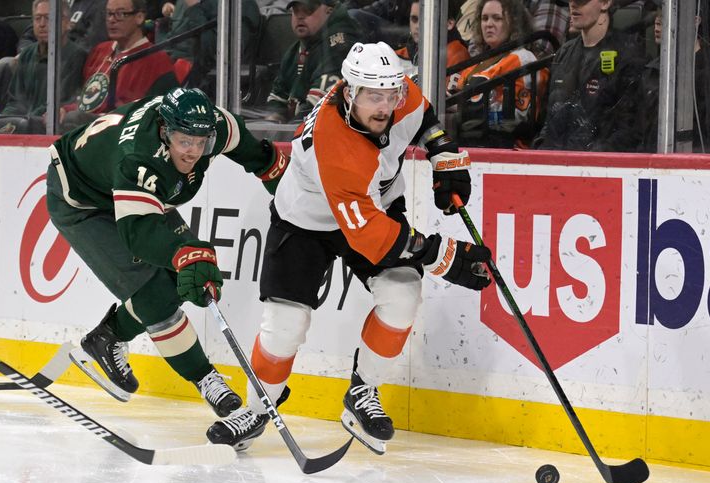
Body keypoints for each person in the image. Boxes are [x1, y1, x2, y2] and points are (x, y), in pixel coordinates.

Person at [207, 42, 492, 454]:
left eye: (389, 96)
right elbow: (372, 237)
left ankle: (362, 393)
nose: (383, 107)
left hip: (372, 201)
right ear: (348, 93)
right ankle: (255, 408)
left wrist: (443, 154)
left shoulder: (397, 93)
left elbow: (424, 116)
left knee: (401, 296)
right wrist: (441, 255)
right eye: (372, 97)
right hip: (306, 220)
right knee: (285, 326)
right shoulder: (336, 144)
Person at [46, 87, 290, 422]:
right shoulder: (140, 158)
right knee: (154, 288)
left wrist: (280, 180)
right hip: (82, 200)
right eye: (184, 142)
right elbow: (138, 233)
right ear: (165, 130)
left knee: (181, 277)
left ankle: (107, 338)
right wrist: (184, 253)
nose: (192, 152)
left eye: (200, 142)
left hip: (123, 188)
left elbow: (253, 151)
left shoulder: (213, 128)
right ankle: (206, 380)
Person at [534, 0, 645, 152]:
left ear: (605, 3)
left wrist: (591, 160)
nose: (573, 5)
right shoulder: (563, 54)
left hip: (602, 167)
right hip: (558, 164)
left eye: (581, 1)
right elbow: (549, 118)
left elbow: (628, 130)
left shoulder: (628, 56)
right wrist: (541, 152)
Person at [60, 0, 178, 131]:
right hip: (86, 124)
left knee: (73, 119)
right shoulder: (99, 51)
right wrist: (64, 110)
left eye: (120, 14)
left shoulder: (157, 61)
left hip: (122, 132)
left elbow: (162, 116)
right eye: (109, 14)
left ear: (139, 17)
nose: (111, 20)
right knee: (39, 121)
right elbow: (84, 99)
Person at [638, 6, 710, 153]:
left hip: (700, 169)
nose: (658, 24)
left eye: (667, 18)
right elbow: (639, 131)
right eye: (658, 18)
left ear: (694, 21)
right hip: (650, 167)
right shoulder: (650, 73)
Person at [448, 0, 548, 148]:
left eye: (497, 18)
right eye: (484, 18)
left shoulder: (523, 58)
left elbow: (518, 119)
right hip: (471, 145)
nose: (488, 24)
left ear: (514, 23)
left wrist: (463, 110)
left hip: (508, 151)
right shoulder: (475, 64)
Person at [257, 0, 362, 123]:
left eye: (308, 10)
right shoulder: (297, 49)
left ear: (329, 10)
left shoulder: (340, 47)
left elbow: (316, 111)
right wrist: (274, 119)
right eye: (296, 10)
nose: (300, 16)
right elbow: (278, 98)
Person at [0, 0, 86, 134]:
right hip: (23, 123)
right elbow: (14, 101)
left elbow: (62, 101)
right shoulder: (27, 55)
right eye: (38, 18)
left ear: (66, 23)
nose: (42, 24)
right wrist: (7, 121)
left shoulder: (76, 56)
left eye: (48, 18)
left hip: (51, 127)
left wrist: (25, 119)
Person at [395, 0, 470, 83]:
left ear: (449, 23)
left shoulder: (457, 54)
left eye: (425, 20)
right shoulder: (399, 55)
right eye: (414, 19)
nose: (417, 26)